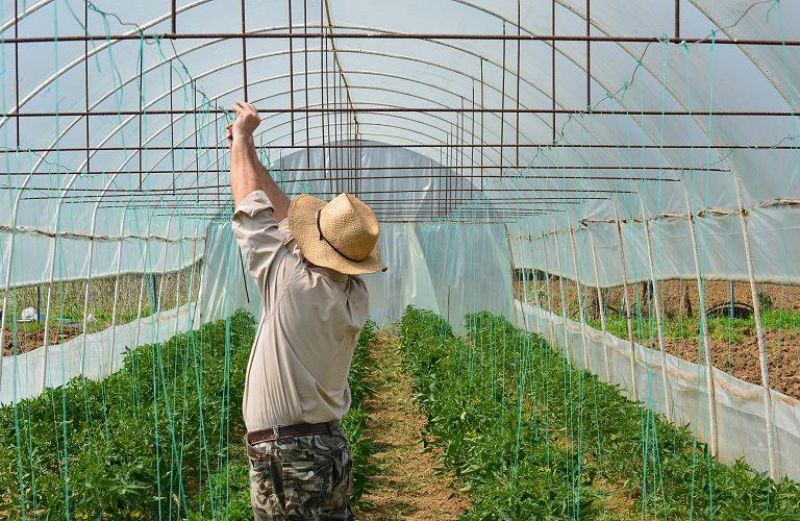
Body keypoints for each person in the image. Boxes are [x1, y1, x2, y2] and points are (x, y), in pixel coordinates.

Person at [227, 100, 386, 520]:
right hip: (326, 448)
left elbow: (250, 209)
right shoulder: (352, 293)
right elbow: (282, 216)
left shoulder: (292, 283)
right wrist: (251, 154)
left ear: (314, 248)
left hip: (290, 457)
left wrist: (241, 138)